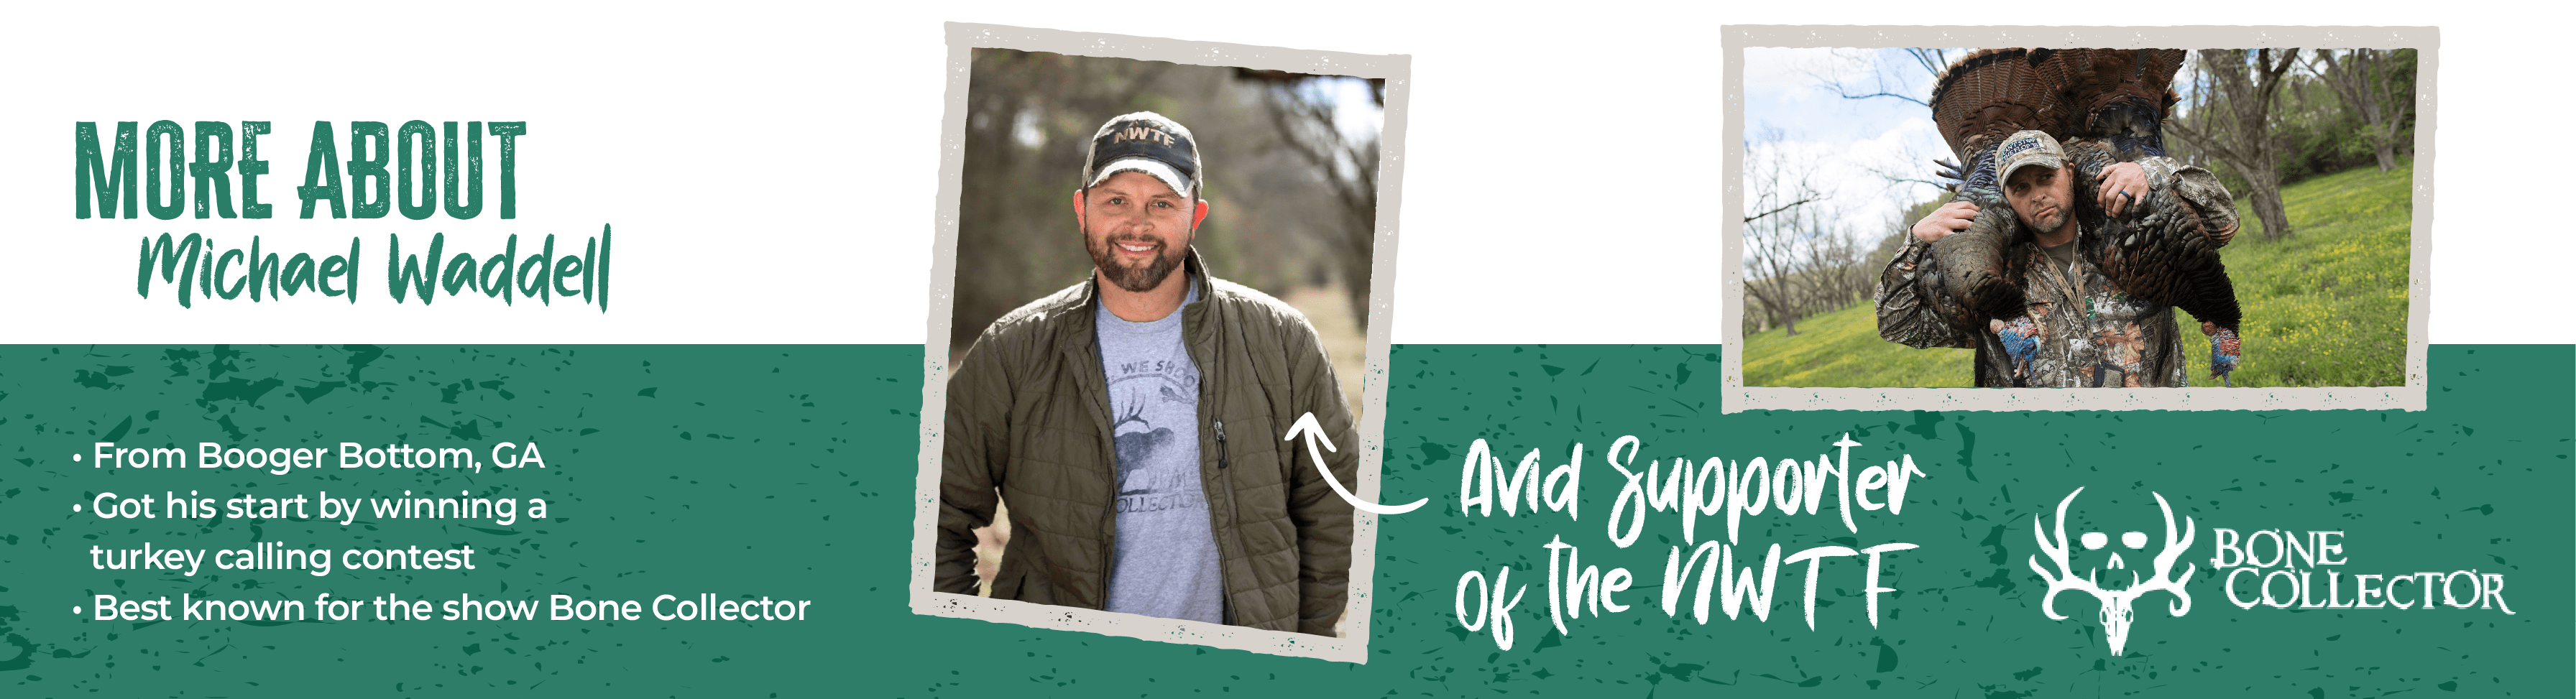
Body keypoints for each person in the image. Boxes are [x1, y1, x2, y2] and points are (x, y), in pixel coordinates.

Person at [937, 112, 1357, 635]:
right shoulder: (1013, 350)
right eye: (1116, 201)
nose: (1138, 225)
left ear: (1195, 215)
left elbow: (1332, 504)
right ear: (1081, 209)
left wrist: (1304, 642)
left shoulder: (1281, 339)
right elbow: (934, 511)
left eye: (1162, 203)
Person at [1890, 130, 2236, 386]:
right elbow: (1899, 324)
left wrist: (2153, 171)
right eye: (2020, 188)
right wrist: (1915, 240)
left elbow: (2224, 220)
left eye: (2046, 178)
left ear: (2069, 173)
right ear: (2007, 198)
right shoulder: (1997, 273)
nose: (2038, 195)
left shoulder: (2134, 229)